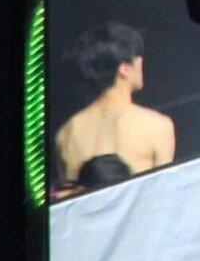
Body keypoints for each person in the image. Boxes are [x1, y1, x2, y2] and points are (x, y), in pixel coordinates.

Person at [55, 22, 176, 182]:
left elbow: (69, 194)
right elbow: (163, 190)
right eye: (138, 59)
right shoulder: (157, 126)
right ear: (124, 69)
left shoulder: (66, 134)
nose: (141, 64)